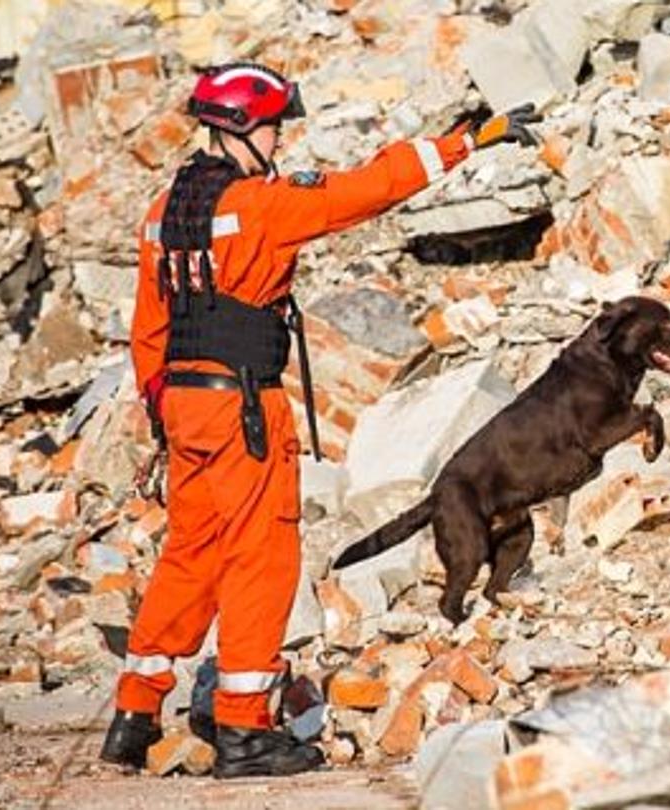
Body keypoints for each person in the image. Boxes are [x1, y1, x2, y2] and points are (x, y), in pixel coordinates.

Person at [98, 62, 536, 778]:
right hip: (242, 406)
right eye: (273, 125)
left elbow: (150, 328)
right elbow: (367, 190)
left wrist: (165, 413)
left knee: (189, 553)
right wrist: (467, 142)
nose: (279, 138)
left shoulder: (160, 213)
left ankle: (135, 713)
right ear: (240, 127)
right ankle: (243, 728)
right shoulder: (262, 206)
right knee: (260, 556)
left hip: (181, 404)